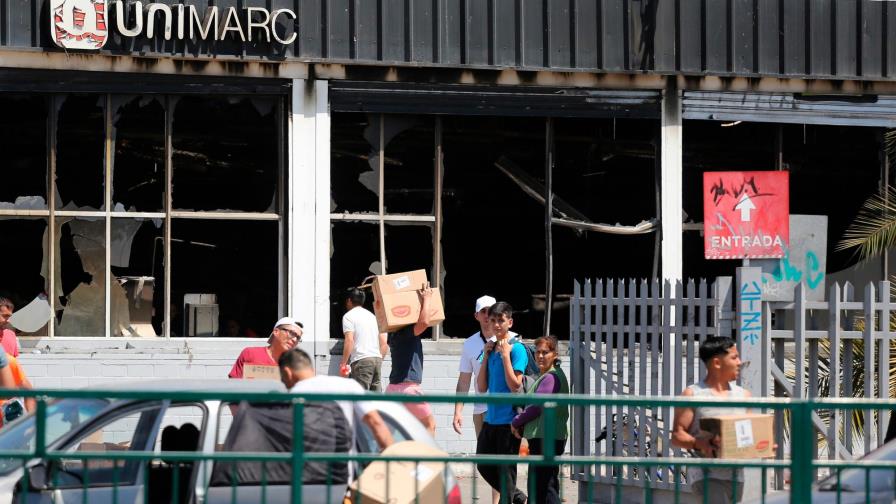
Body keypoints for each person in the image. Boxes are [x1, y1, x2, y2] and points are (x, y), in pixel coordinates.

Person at [671, 336, 751, 504]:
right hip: (707, 476)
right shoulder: (692, 395)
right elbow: (677, 435)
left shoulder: (743, 395)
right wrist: (701, 444)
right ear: (717, 363)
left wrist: (762, 445)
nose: (740, 362)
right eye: (734, 357)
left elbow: (750, 434)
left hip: (737, 477)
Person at [278, 348, 394, 453]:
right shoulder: (349, 386)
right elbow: (376, 422)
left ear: (288, 373)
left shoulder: (294, 396)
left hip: (306, 471)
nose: (284, 383)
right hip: (344, 472)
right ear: (311, 368)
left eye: (283, 378)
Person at [476, 301, 528, 504]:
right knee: (483, 464)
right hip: (491, 419)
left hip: (509, 421)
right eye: (493, 320)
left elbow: (515, 385)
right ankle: (518, 497)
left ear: (510, 322)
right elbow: (481, 387)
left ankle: (512, 497)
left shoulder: (517, 349)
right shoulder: (490, 347)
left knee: (506, 473)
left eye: (501, 320)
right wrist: (486, 357)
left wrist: (506, 356)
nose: (496, 325)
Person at [453, 295, 502, 504]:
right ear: (476, 315)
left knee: (502, 460)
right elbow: (464, 381)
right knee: (485, 461)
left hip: (503, 409)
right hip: (480, 409)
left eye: (491, 311)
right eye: (483, 311)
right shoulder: (470, 344)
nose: (487, 315)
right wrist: (457, 411)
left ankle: (501, 500)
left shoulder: (509, 339)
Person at [510, 335, 569, 504]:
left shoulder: (551, 377)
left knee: (544, 487)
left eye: (546, 352)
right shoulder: (549, 375)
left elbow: (536, 406)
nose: (541, 356)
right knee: (543, 486)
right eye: (538, 352)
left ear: (555, 354)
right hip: (546, 436)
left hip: (547, 437)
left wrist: (516, 422)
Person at [382, 285, 438, 435]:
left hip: (393, 389)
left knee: (394, 431)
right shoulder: (404, 333)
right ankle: (427, 456)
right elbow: (424, 322)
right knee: (429, 425)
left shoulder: (393, 335)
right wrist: (427, 298)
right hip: (408, 389)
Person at [339, 288, 387, 391]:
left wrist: (343, 363)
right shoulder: (373, 316)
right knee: (376, 400)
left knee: (361, 399)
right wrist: (378, 359)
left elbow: (349, 340)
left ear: (349, 301)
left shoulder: (348, 316)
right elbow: (384, 343)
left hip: (361, 360)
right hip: (377, 359)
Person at [228, 317, 302, 378]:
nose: (294, 339)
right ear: (276, 332)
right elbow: (233, 386)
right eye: (292, 333)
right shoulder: (250, 354)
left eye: (298, 337)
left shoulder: (294, 365)